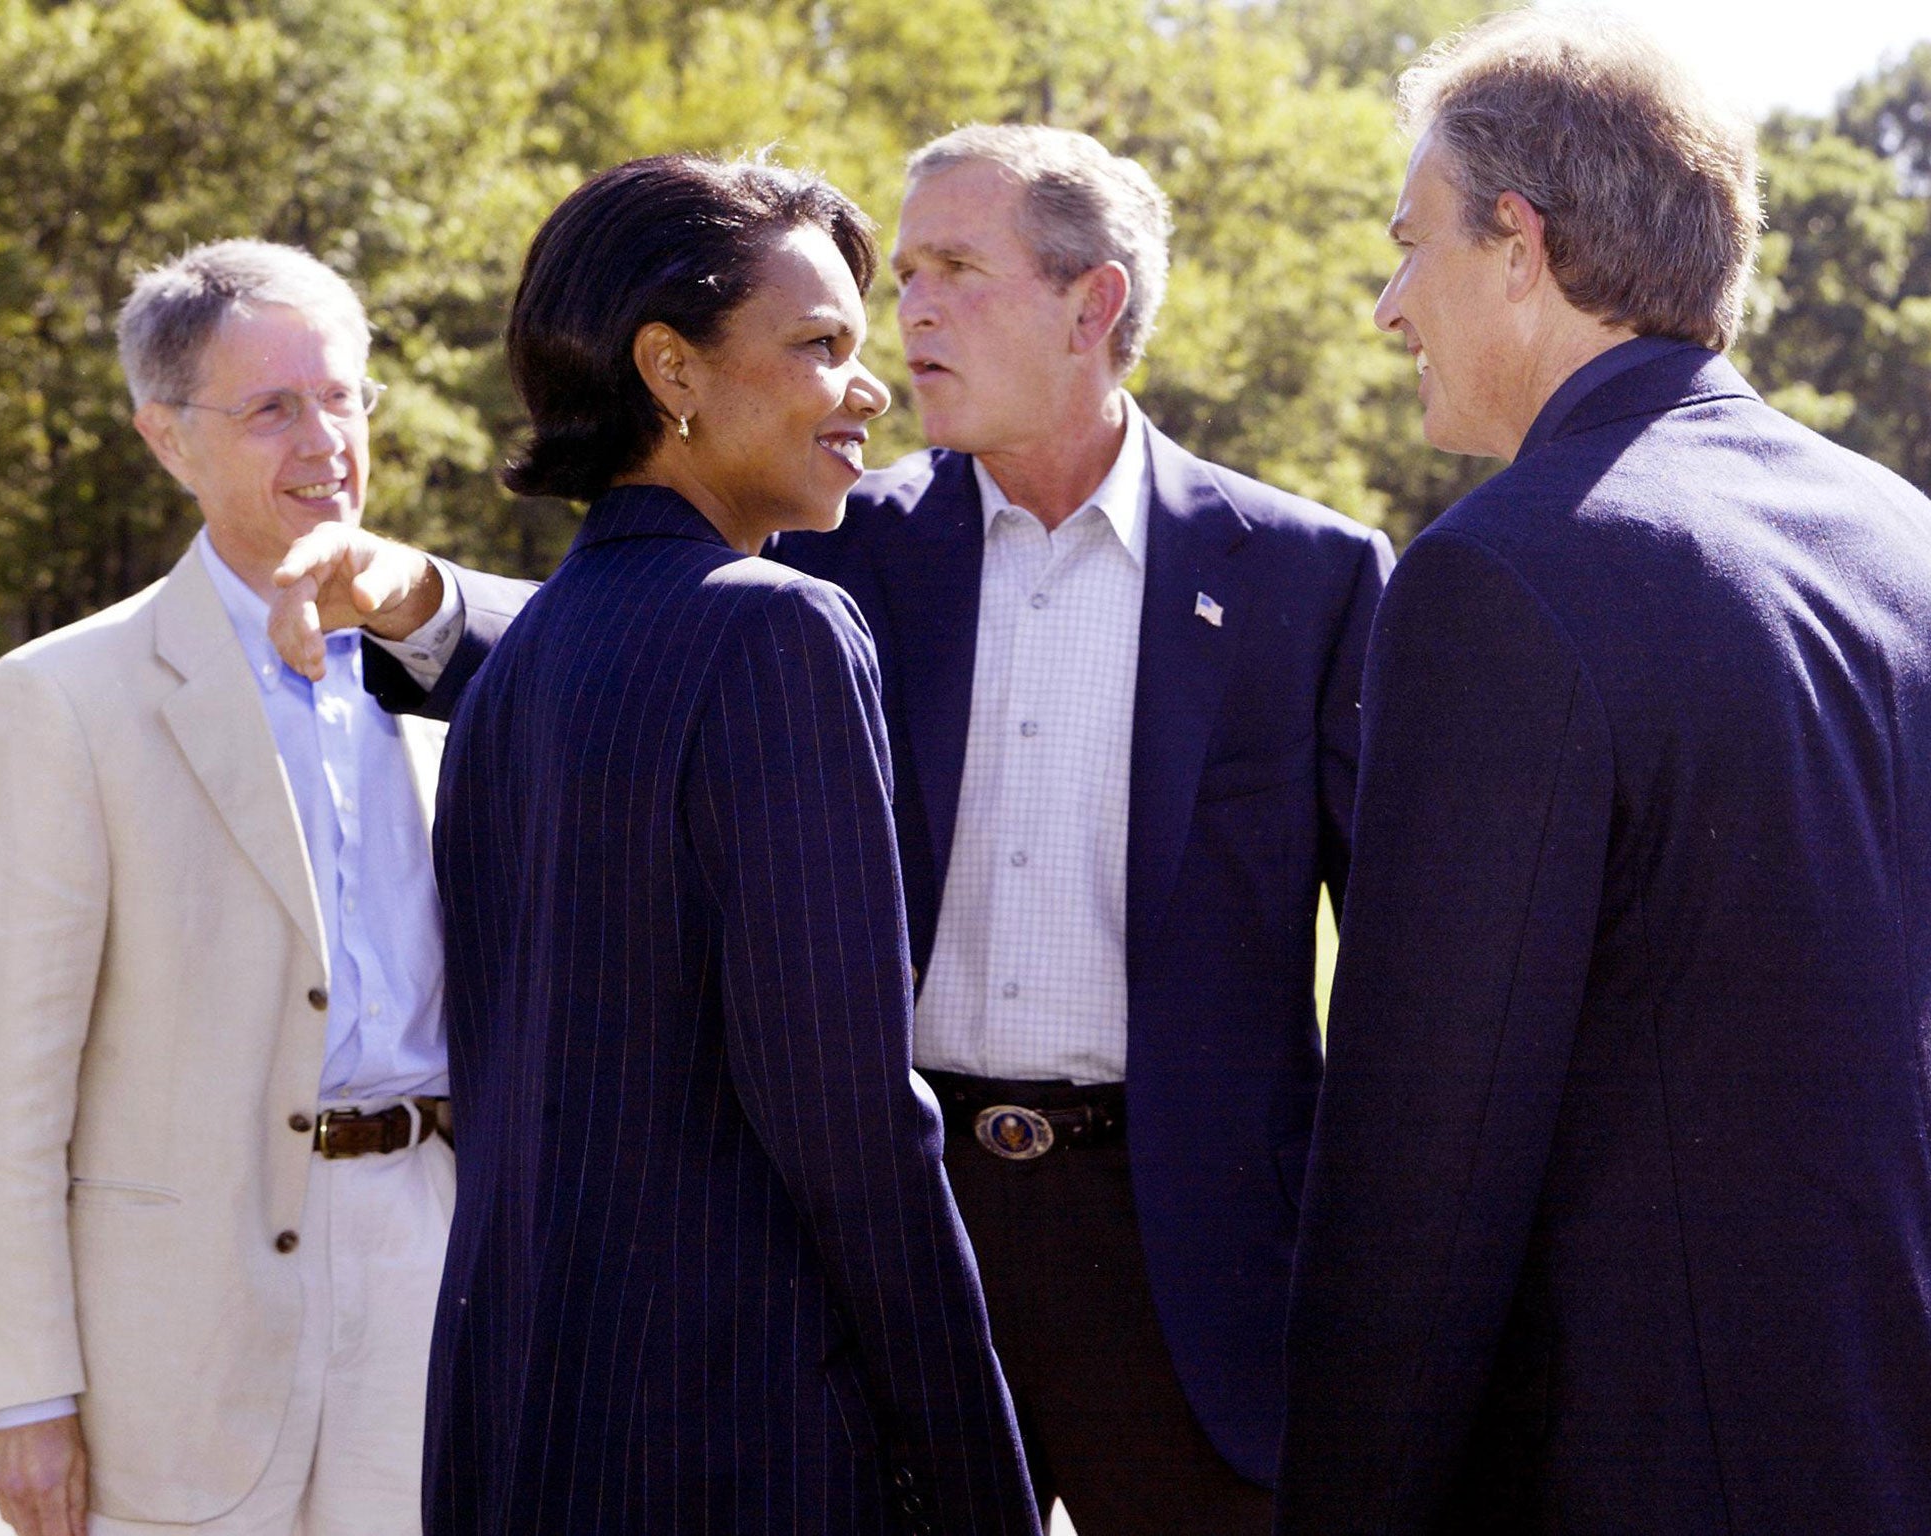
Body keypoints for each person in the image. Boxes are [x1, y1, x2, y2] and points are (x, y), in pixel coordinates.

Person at [275, 125, 1391, 1533]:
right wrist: (429, 604)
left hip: (1177, 1260)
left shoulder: (1314, 573)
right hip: (868, 1243)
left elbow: (1402, 968)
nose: (909, 314)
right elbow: (658, 640)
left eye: (952, 270)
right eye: (893, 279)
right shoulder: (827, 541)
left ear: (1092, 304)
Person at [1276, 12, 1931, 1532]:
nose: (1388, 306)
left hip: (1632, 1468)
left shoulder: (1503, 575)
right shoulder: (1898, 534)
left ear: (1519, 240)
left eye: (1407, 244)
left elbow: (1419, 1164)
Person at [410, 155, 1036, 1535]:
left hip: (527, 1424)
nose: (868, 390)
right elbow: (854, 1127)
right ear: (671, 370)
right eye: (819, 345)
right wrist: (986, 1484)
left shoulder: (527, 663)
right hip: (741, 1442)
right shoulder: (773, 628)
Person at [0, 241, 459, 1536]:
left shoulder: (455, 679)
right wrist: (23, 1396)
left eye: (343, 398)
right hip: (180, 1346)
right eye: (274, 406)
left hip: (432, 1285)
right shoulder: (64, 699)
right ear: (167, 439)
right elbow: (10, 1088)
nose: (327, 438)